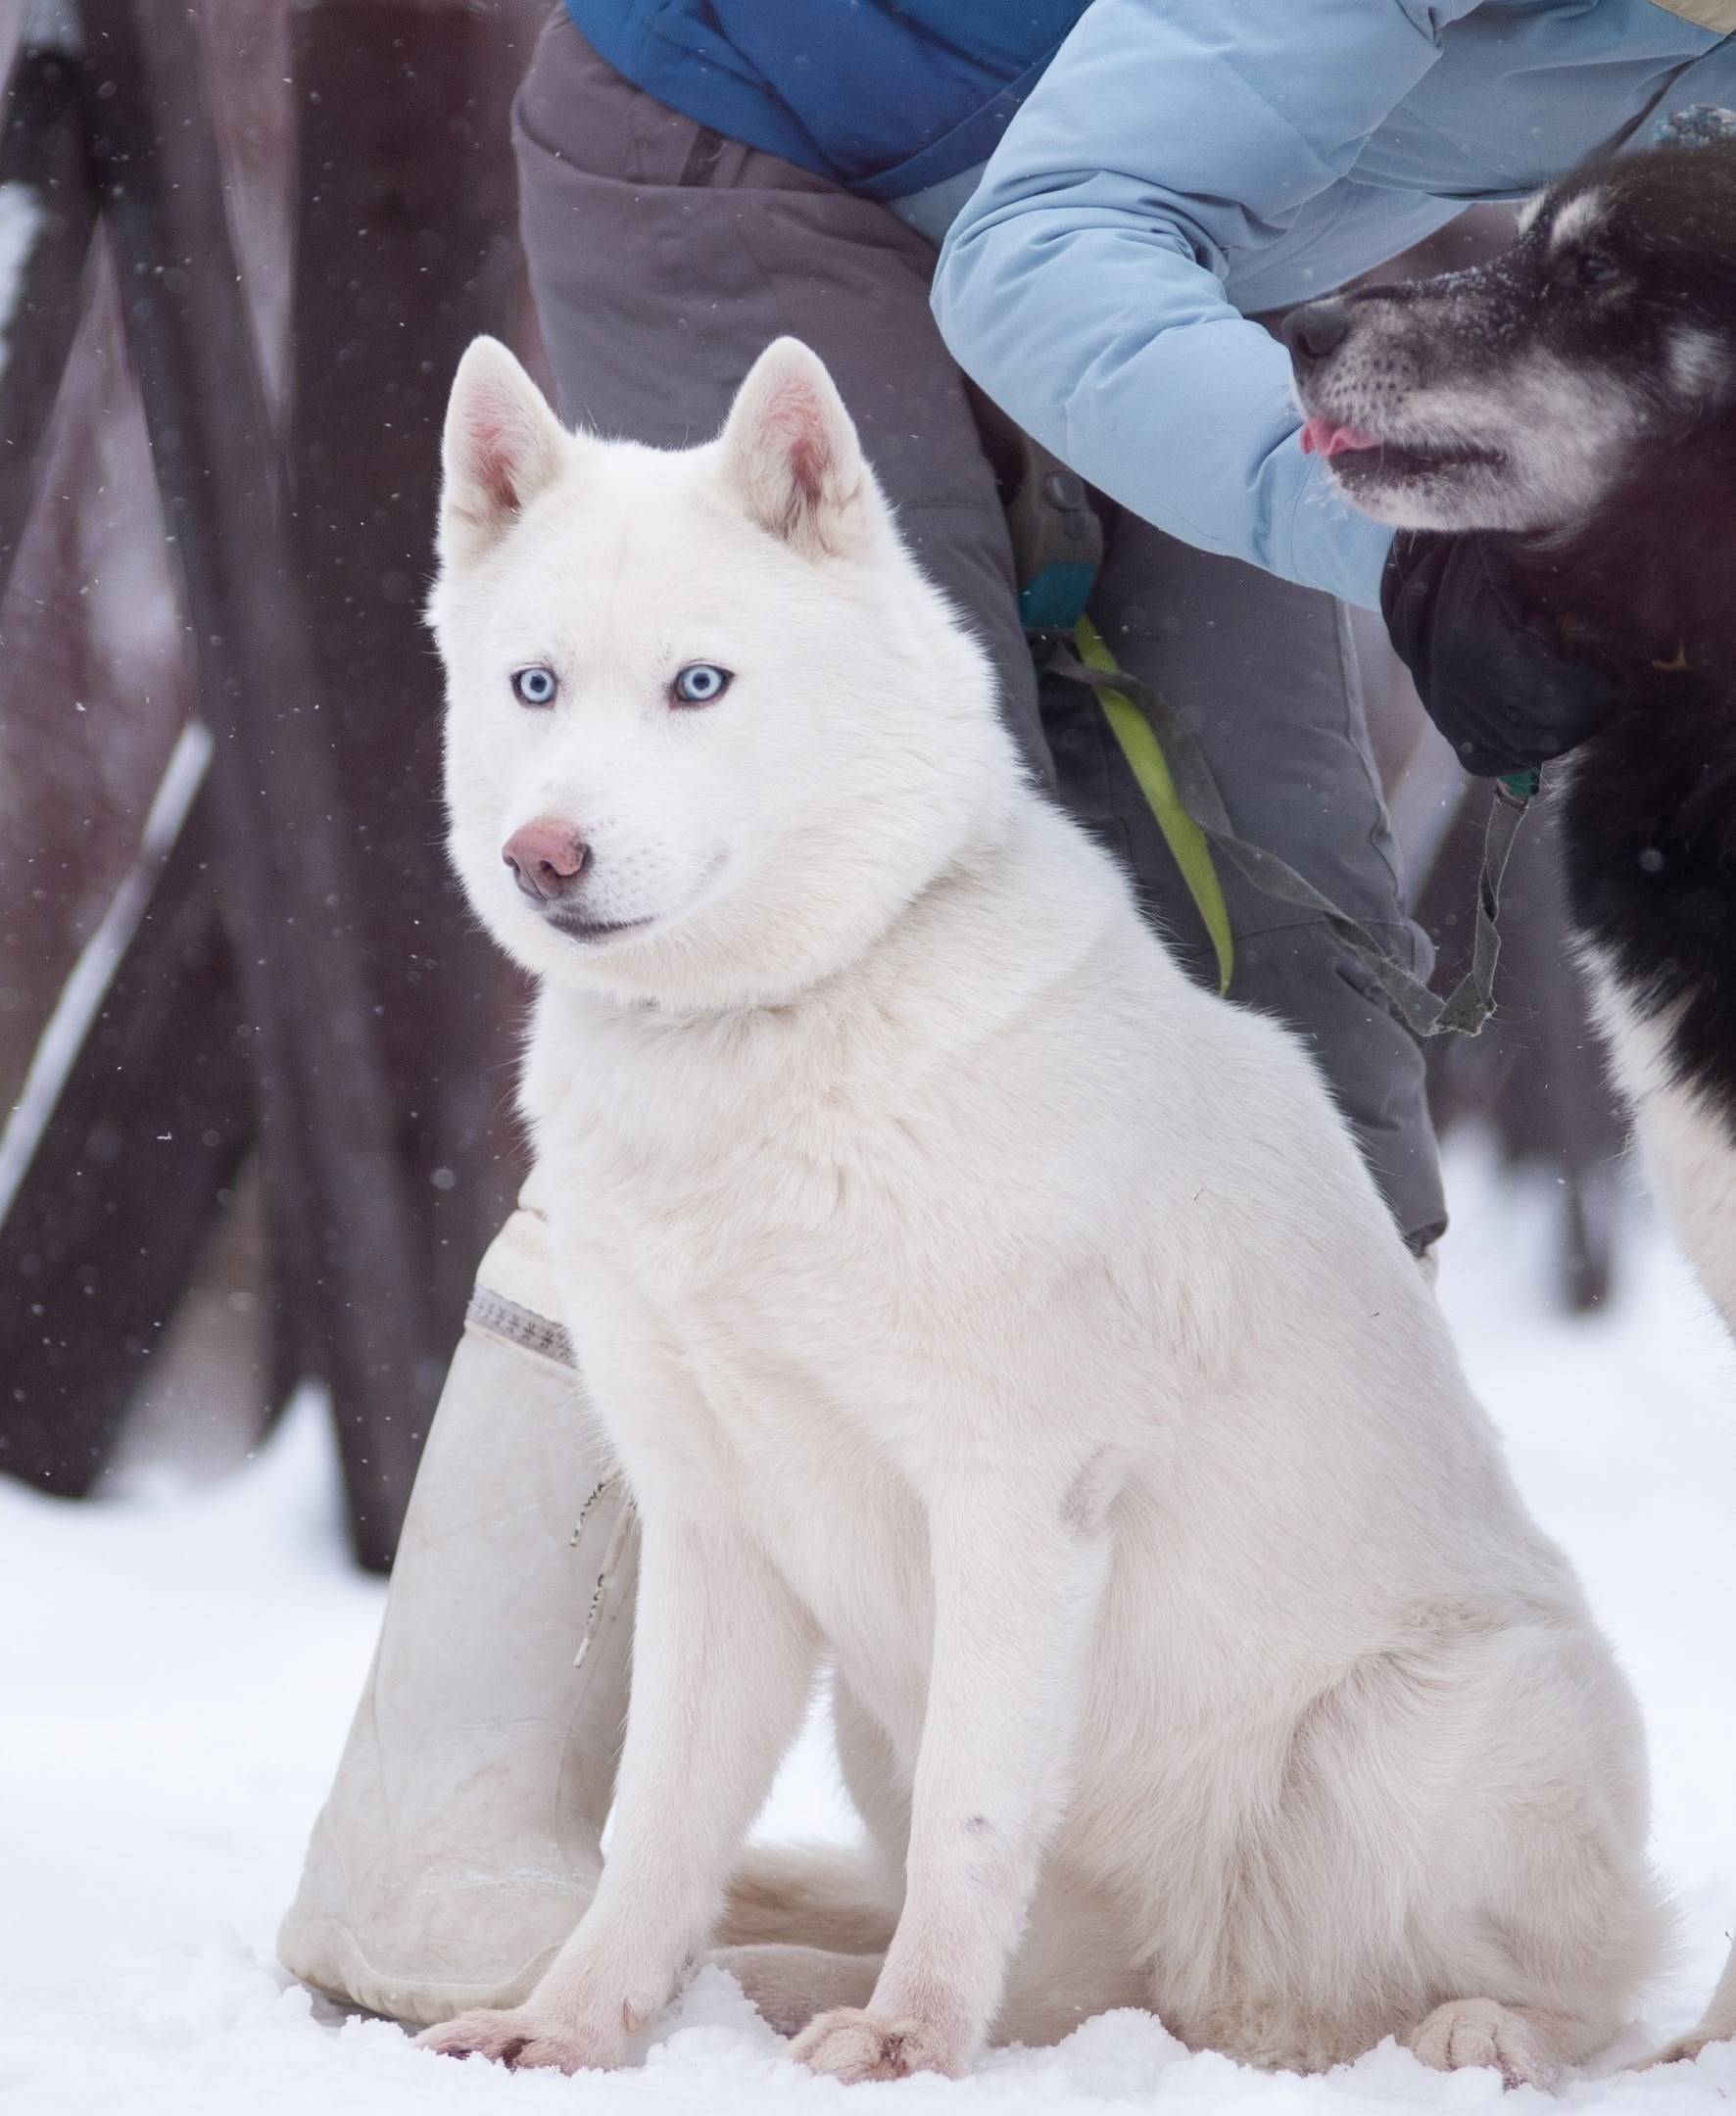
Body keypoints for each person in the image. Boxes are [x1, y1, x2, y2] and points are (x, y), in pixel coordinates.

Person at [279, 0, 1730, 2030]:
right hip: (772, 144)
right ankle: (443, 1811)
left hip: (1191, 239)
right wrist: (1417, 575)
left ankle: (1236, 1792)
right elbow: (1047, 248)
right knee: (884, 912)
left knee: (1287, 939)